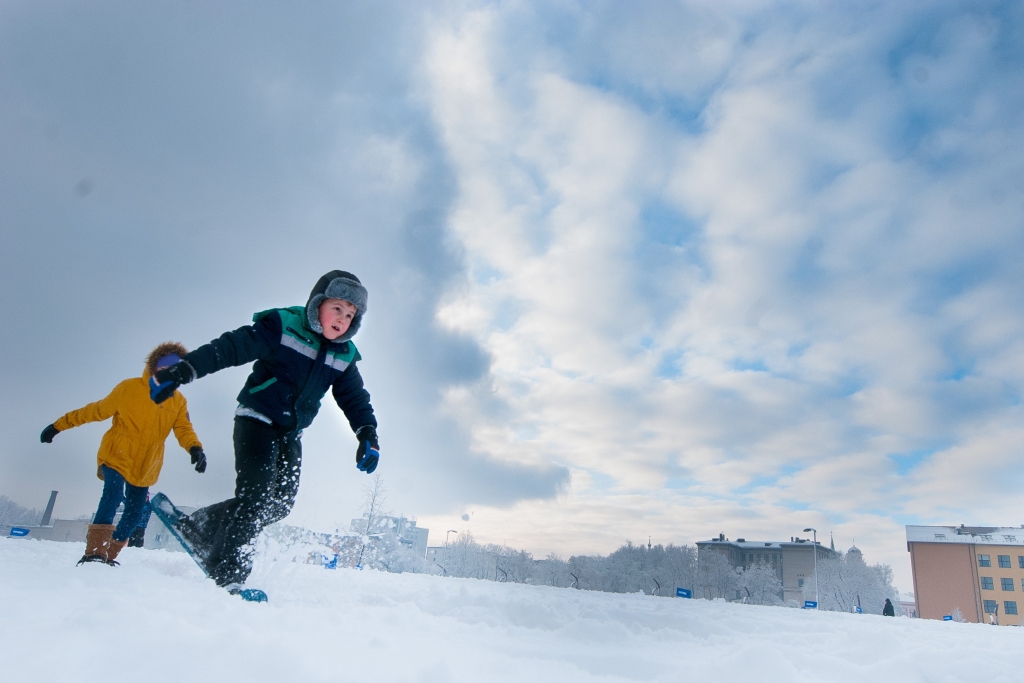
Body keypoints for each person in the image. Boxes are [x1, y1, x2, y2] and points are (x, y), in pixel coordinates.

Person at [149, 270, 379, 590]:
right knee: (255, 498)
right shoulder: (283, 326)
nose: (342, 318)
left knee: (280, 503)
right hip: (256, 420)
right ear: (317, 304)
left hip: (290, 434)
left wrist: (367, 433)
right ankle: (230, 573)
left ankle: (201, 526)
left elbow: (355, 399)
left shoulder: (344, 355)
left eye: (350, 314)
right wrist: (185, 370)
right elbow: (232, 347)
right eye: (337, 308)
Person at [40, 343, 208, 566]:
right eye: (163, 367)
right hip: (117, 454)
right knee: (113, 495)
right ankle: (94, 552)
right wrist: (58, 426)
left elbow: (184, 429)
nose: (167, 372)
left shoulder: (178, 401)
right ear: (154, 367)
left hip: (147, 463)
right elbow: (96, 411)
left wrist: (195, 448)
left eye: (173, 369)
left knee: (135, 512)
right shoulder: (128, 388)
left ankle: (109, 555)